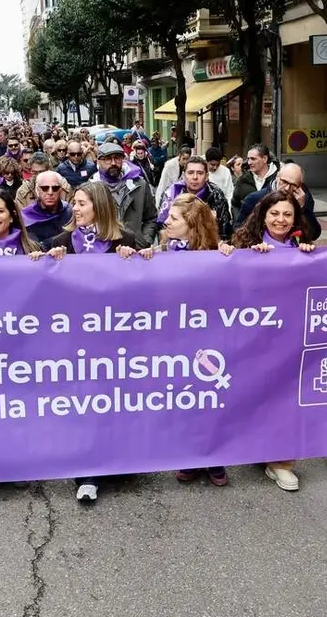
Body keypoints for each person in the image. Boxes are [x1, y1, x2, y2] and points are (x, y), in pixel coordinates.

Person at [46, 182, 137, 505]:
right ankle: (87, 473)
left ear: (99, 206)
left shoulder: (124, 242)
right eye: (75, 204)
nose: (76, 209)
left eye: (82, 203)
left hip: (116, 341)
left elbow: (149, 282)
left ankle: (118, 461)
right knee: (84, 405)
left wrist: (139, 257)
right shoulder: (61, 243)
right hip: (75, 343)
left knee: (113, 403)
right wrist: (48, 261)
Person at [136, 193, 234, 486]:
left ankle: (214, 456)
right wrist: (138, 259)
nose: (166, 221)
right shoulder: (160, 252)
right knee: (183, 397)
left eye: (174, 218)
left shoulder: (219, 255)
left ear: (193, 225)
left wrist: (232, 257)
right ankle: (189, 456)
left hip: (208, 337)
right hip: (172, 338)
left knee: (209, 398)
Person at [232, 192, 316, 493]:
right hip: (252, 338)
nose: (281, 220)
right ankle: (256, 448)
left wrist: (319, 256)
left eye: (288, 215)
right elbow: (224, 282)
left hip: (290, 339)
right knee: (255, 396)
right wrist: (246, 259)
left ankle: (281, 461)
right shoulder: (245, 244)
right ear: (263, 215)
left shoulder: (301, 247)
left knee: (285, 398)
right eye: (275, 214)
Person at [92, 142, 158, 249]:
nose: (113, 163)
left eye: (117, 158)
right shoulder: (91, 188)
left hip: (135, 250)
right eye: (108, 159)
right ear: (99, 161)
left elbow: (151, 218)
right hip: (104, 252)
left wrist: (144, 241)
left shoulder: (139, 185)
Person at [234, 163, 321, 240]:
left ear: (300, 185)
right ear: (277, 176)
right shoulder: (254, 199)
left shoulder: (303, 198)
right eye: (284, 182)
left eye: (293, 185)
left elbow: (314, 234)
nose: (287, 188)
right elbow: (238, 230)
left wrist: (302, 208)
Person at [156, 155, 232, 241]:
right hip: (176, 247)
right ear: (184, 175)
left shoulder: (216, 195)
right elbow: (162, 227)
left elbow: (225, 230)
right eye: (190, 172)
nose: (195, 177)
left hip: (208, 247)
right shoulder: (171, 193)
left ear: (206, 176)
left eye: (200, 173)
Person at [22, 171, 73, 250]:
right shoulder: (26, 216)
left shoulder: (70, 212)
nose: (50, 192)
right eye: (45, 188)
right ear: (37, 190)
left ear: (60, 190)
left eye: (55, 188)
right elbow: (32, 247)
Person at [231, 145, 278, 214]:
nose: (249, 162)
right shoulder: (243, 180)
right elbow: (235, 205)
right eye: (248, 159)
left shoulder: (278, 179)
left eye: (253, 159)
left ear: (264, 159)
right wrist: (240, 223)